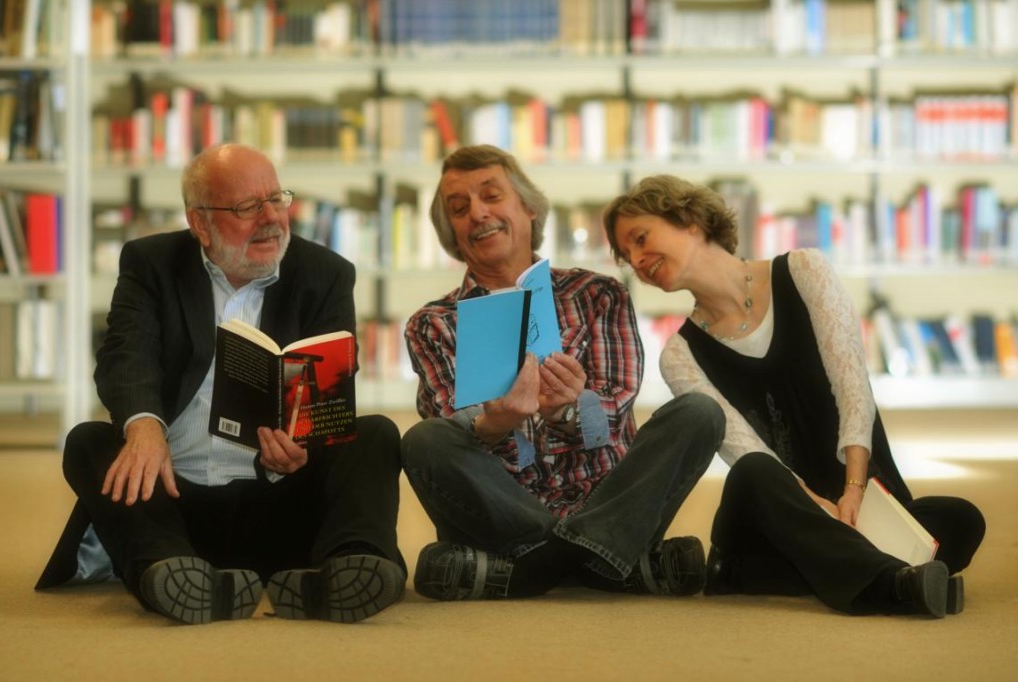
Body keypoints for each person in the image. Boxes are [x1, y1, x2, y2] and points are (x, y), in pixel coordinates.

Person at [35, 143, 406, 625]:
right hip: (173, 501)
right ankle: (172, 574)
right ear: (199, 223)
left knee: (376, 433)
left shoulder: (326, 274)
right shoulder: (152, 263)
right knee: (87, 442)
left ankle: (347, 572)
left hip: (280, 498)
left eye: (277, 199)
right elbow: (125, 354)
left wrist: (302, 444)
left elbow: (330, 382)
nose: (271, 218)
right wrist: (144, 427)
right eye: (248, 207)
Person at [602, 174, 986, 618]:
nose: (637, 259)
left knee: (962, 518)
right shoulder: (679, 355)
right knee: (755, 470)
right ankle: (889, 584)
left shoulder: (804, 270)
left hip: (863, 504)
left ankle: (824, 571)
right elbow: (747, 450)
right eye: (628, 256)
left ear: (689, 220)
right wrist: (822, 509)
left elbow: (852, 387)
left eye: (640, 238)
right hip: (777, 518)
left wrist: (854, 491)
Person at [401, 145, 724, 601]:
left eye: (491, 196)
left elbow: (612, 416)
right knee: (424, 441)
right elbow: (449, 428)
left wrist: (569, 412)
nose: (477, 213)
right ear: (451, 233)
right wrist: (498, 422)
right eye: (459, 208)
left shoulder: (599, 295)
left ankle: (525, 571)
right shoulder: (431, 323)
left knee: (699, 414)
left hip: (604, 499)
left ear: (529, 209)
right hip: (504, 513)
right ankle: (608, 564)